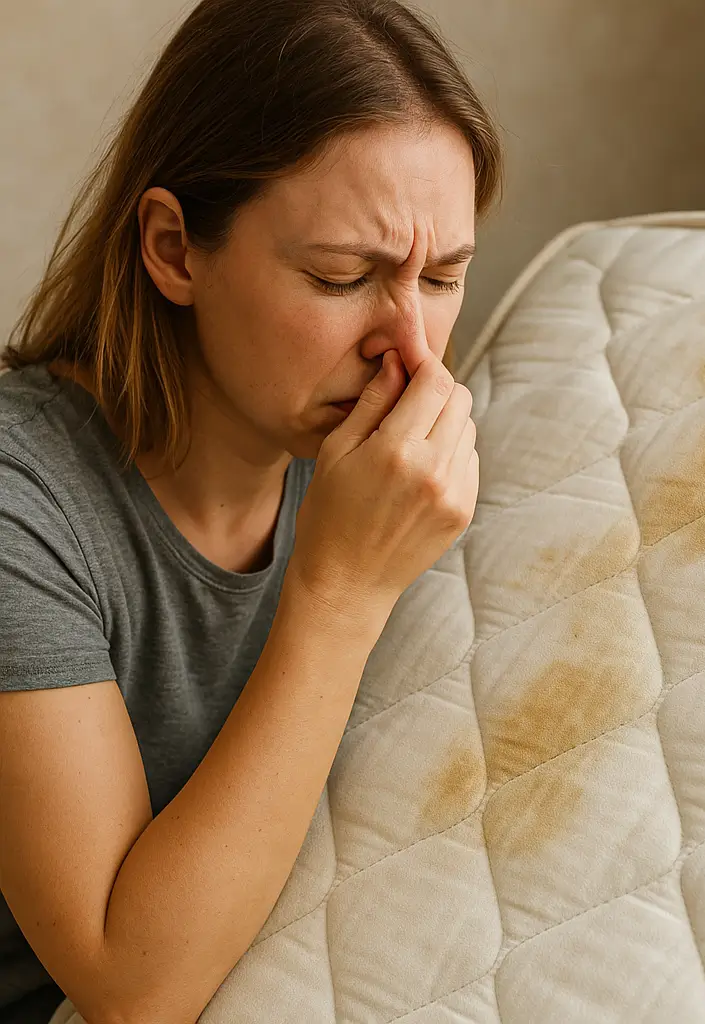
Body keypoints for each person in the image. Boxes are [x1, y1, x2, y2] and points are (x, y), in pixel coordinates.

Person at [0, 0, 502, 1019]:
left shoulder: (392, 468)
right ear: (175, 249)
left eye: (443, 276)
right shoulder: (24, 502)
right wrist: (341, 588)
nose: (410, 349)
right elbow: (126, 982)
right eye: (341, 277)